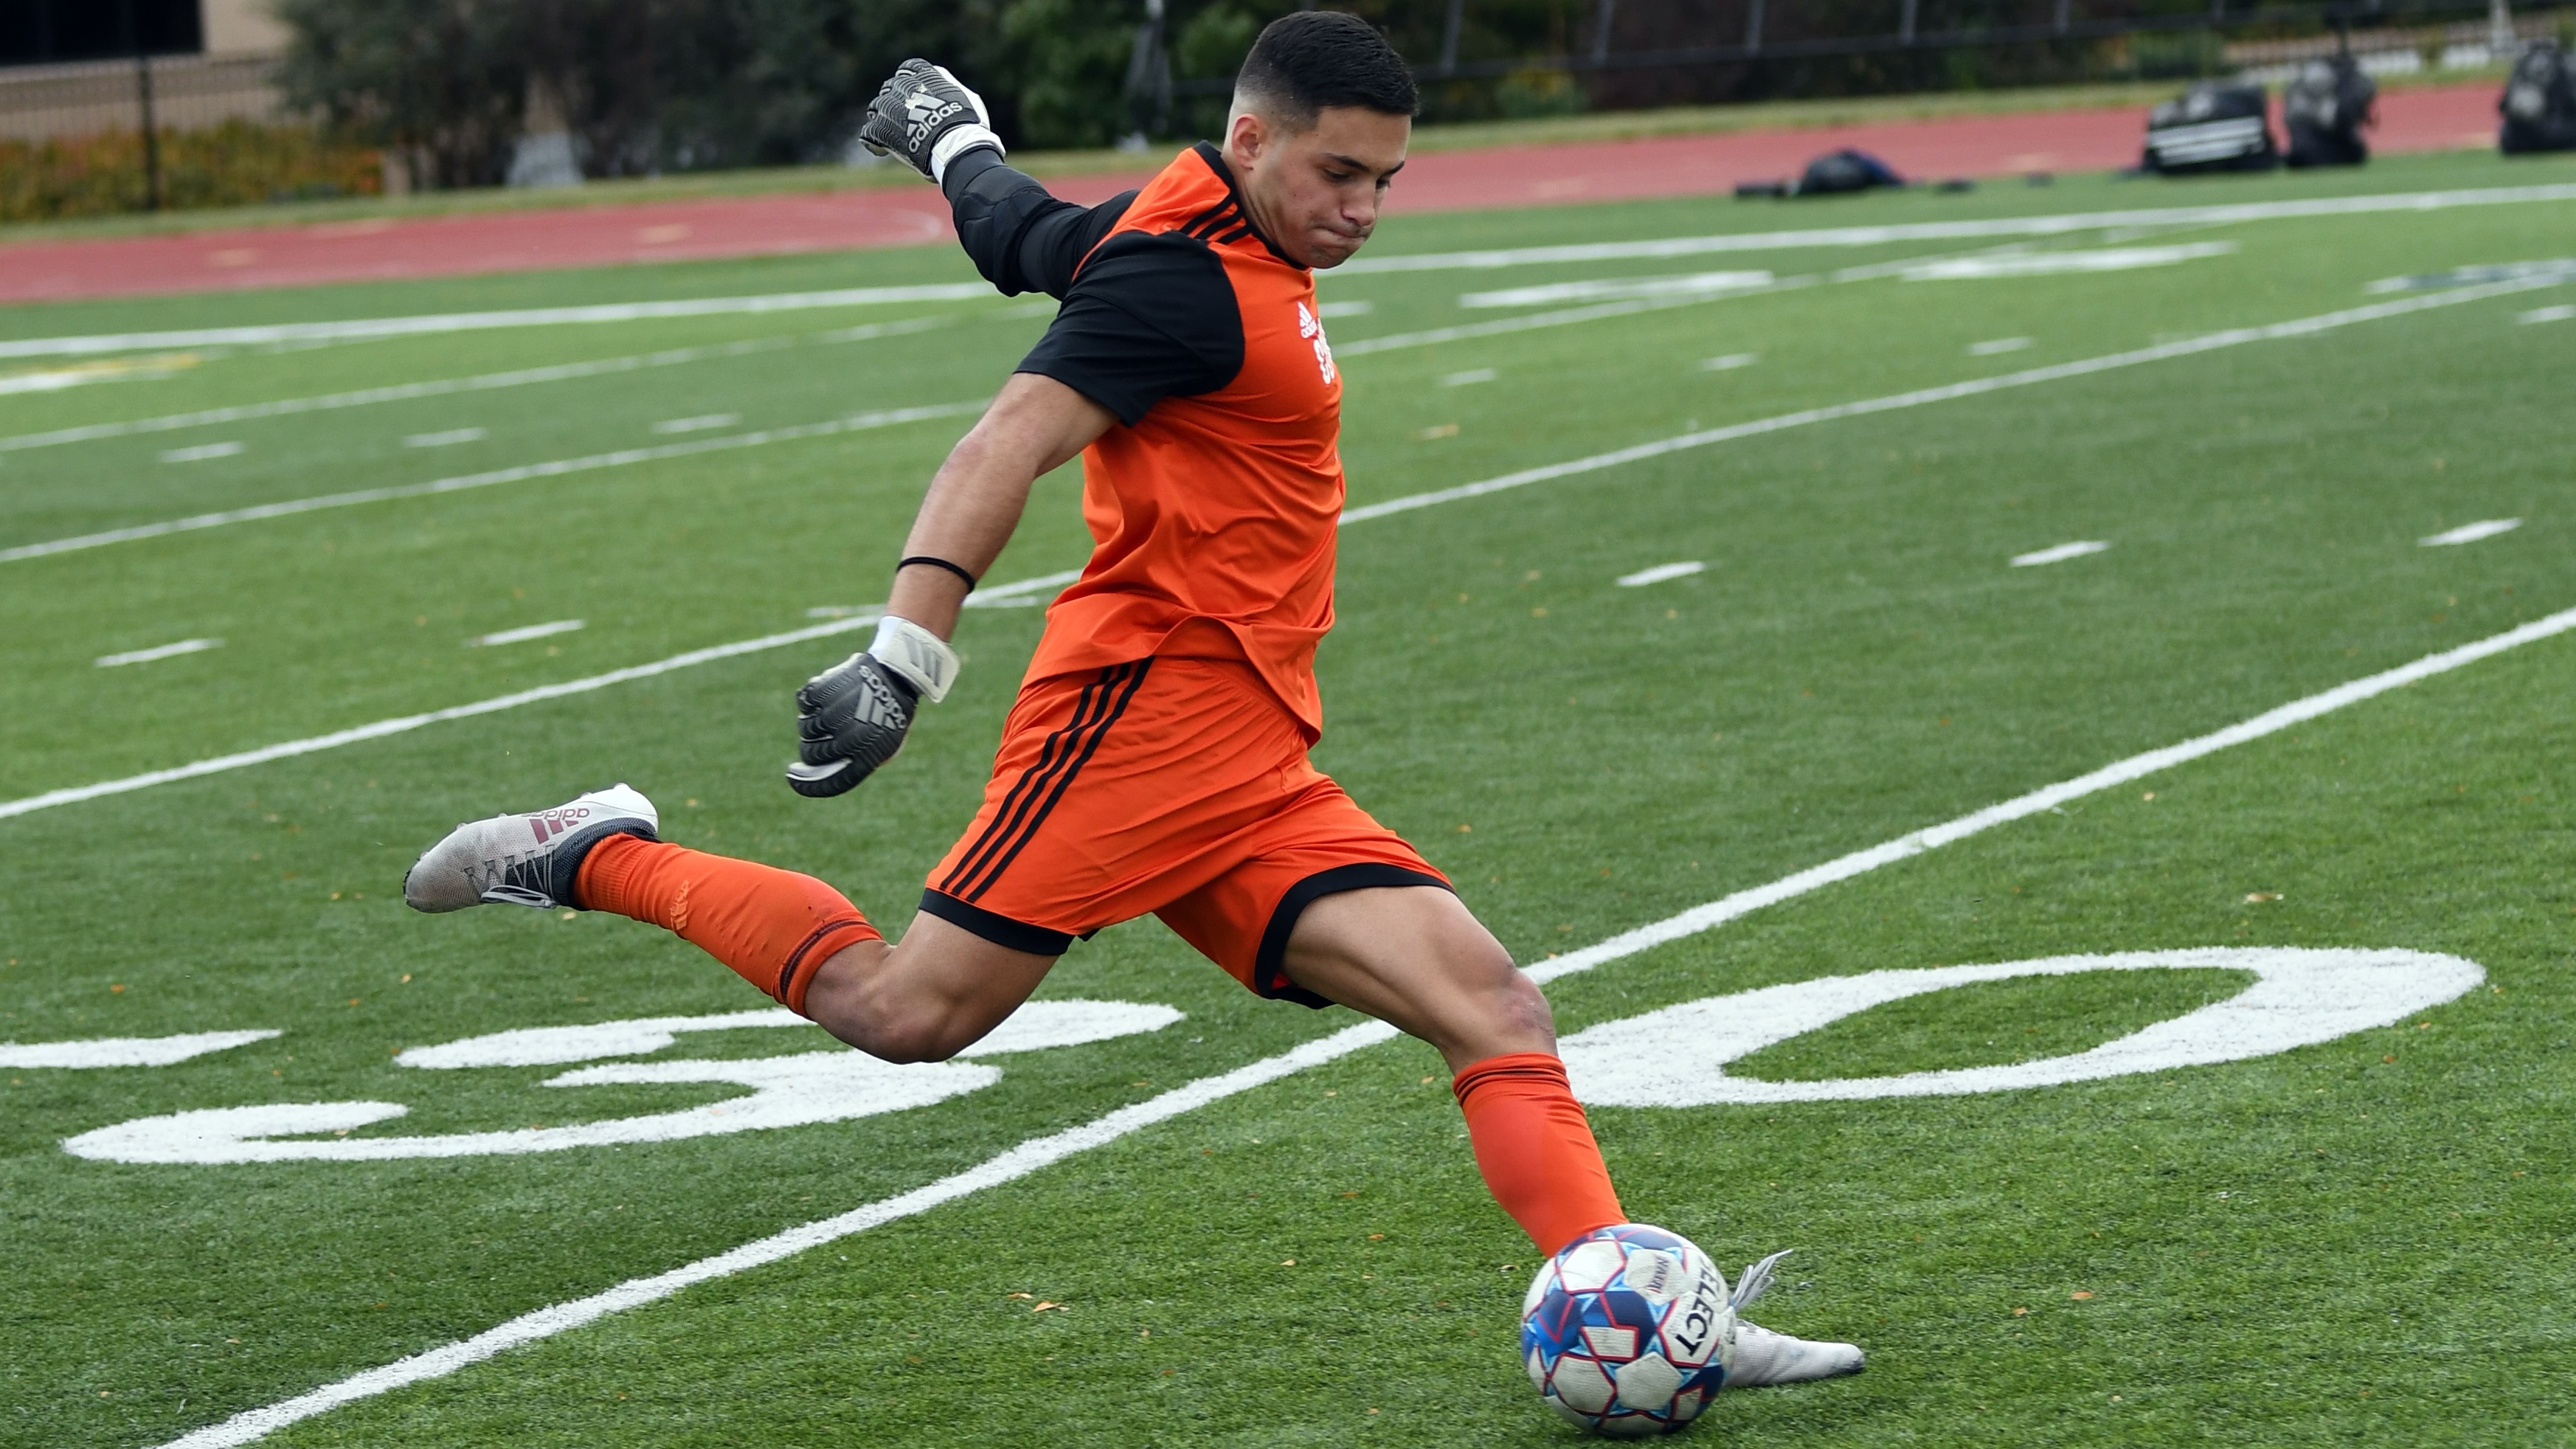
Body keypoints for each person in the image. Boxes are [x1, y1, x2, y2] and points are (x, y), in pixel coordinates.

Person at [404, 10, 1859, 1392]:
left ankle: (1659, 1315)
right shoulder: (1186, 282)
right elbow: (1006, 438)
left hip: (1247, 753)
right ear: (1251, 137)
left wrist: (952, 144)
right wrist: (903, 657)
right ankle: (596, 850)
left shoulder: (1185, 232)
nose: (1361, 207)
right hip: (1138, 721)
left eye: (1387, 181)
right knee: (906, 1013)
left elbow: (1028, 233)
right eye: (1337, 172)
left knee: (1491, 1003)